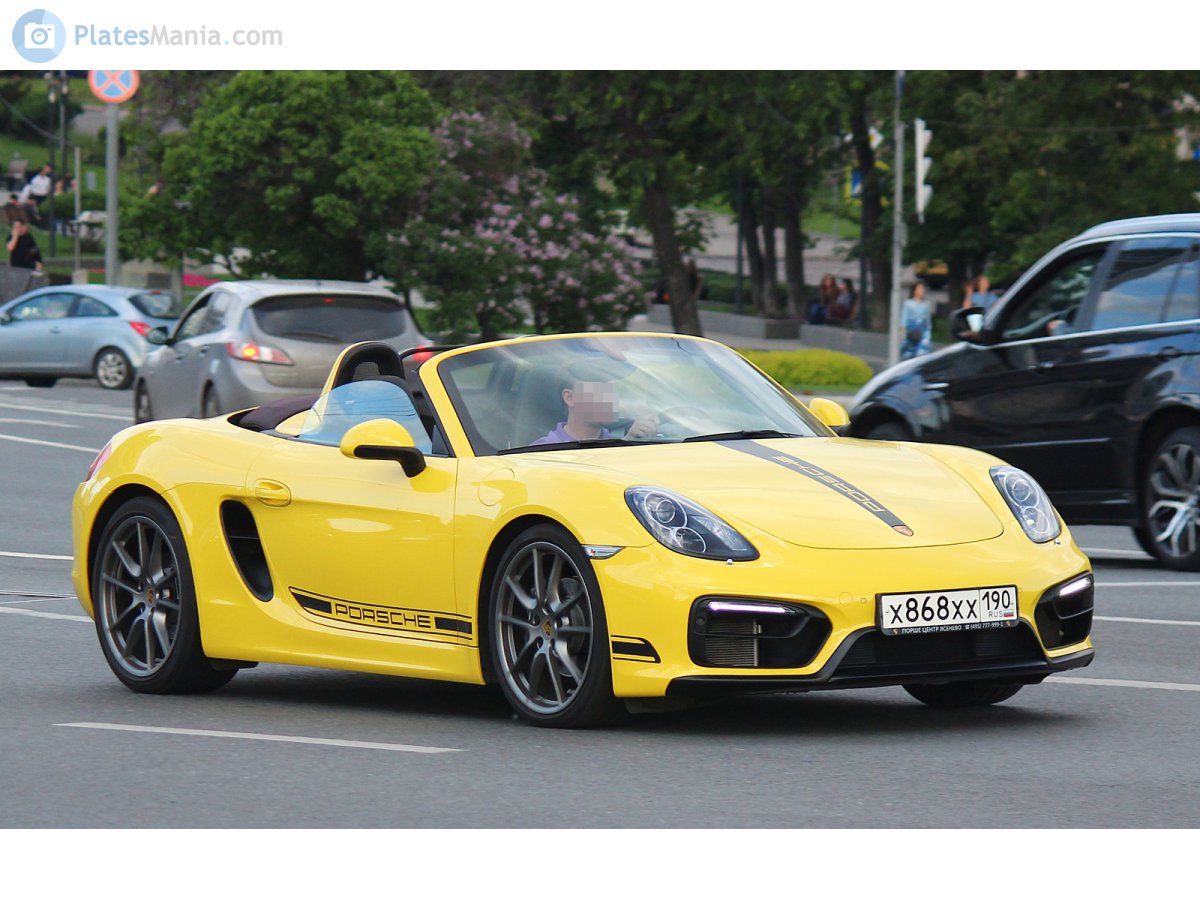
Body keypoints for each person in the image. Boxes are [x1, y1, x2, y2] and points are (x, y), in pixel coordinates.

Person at [532, 369, 659, 445]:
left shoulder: (616, 442)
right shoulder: (542, 450)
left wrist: (630, 440)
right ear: (570, 398)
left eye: (612, 391)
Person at [900, 281, 933, 359]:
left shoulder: (926, 304)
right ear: (914, 291)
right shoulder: (908, 303)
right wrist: (903, 335)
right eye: (919, 289)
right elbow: (904, 320)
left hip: (922, 332)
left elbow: (928, 323)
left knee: (922, 354)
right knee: (909, 354)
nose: (922, 291)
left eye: (923, 289)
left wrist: (928, 336)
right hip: (911, 332)